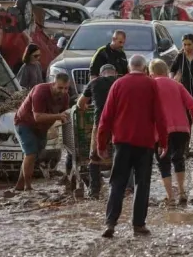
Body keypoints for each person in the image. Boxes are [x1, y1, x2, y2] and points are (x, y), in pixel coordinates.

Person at [98, 55, 168, 238]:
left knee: (117, 182)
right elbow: (160, 115)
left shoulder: (118, 84)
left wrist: (101, 143)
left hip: (121, 142)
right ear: (145, 69)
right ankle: (138, 225)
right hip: (145, 143)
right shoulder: (152, 84)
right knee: (142, 184)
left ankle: (110, 223)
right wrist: (163, 142)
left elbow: (105, 117)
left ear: (129, 68)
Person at [149, 59, 193, 205]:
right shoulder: (177, 85)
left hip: (161, 131)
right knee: (179, 159)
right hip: (182, 130)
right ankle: (182, 192)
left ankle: (170, 197)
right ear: (166, 71)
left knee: (163, 162)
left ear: (151, 73)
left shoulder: (151, 86)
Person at [14, 76, 71, 191]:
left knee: (33, 156)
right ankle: (28, 187)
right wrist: (58, 116)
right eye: (60, 88)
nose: (63, 91)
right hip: (25, 123)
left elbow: (65, 114)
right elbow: (38, 117)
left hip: (42, 128)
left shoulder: (65, 96)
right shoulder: (40, 91)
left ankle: (19, 185)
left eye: (66, 88)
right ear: (52, 84)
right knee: (31, 154)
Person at [76, 64, 120, 199]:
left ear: (101, 74)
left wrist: (86, 106)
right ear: (115, 73)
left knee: (94, 157)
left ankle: (94, 190)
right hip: (119, 124)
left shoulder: (94, 82)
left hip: (100, 123)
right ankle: (121, 188)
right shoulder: (120, 82)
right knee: (120, 155)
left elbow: (80, 103)